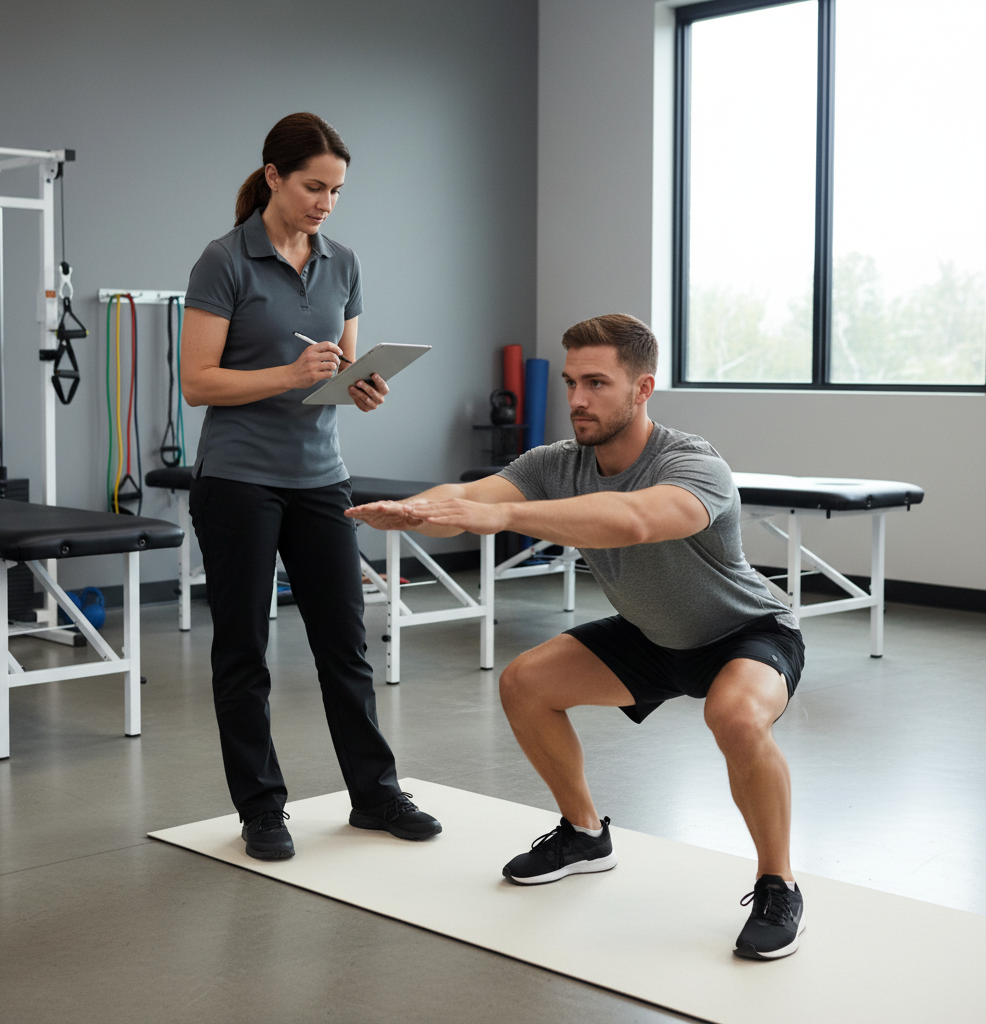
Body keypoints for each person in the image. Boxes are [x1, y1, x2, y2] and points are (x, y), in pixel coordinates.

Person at [346, 313, 806, 959]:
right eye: (570, 383)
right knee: (524, 683)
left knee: (734, 718)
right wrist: (419, 509)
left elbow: (635, 519)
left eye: (597, 383)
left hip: (744, 631)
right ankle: (585, 835)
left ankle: (778, 881)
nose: (578, 400)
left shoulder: (692, 462)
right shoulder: (555, 463)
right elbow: (471, 496)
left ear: (643, 389)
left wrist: (502, 513)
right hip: (653, 635)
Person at [181, 112, 440, 860]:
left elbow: (340, 366)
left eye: (337, 190)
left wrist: (360, 386)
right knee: (244, 650)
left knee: (345, 644)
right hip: (238, 481)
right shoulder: (223, 260)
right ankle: (262, 809)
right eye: (314, 186)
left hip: (321, 476)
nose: (326, 201)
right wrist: (287, 375)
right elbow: (198, 383)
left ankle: (375, 794)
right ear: (274, 177)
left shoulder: (343, 262)